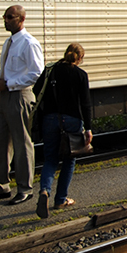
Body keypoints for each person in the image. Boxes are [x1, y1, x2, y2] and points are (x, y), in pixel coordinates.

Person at [0, 5, 44, 205]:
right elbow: (11, 71)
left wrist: (7, 83)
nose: (5, 20)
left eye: (10, 17)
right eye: (4, 17)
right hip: (4, 96)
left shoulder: (28, 43)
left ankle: (25, 188)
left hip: (19, 96)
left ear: (21, 19)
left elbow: (36, 73)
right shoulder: (8, 42)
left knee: (21, 142)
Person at [33, 43, 93, 218]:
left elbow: (37, 91)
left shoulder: (51, 70)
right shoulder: (81, 75)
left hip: (50, 119)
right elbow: (85, 103)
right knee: (70, 158)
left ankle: (44, 190)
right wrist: (88, 128)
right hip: (73, 120)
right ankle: (61, 199)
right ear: (80, 58)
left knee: (50, 158)